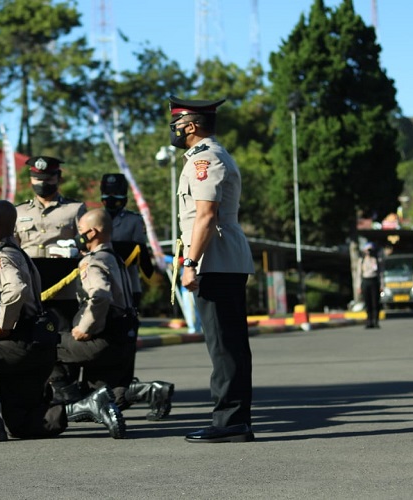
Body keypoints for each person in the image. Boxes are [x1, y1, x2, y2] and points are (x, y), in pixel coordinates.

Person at [0, 200, 124, 443]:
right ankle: (87, 406)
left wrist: (4, 325)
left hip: (14, 341)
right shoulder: (21, 254)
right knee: (22, 423)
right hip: (38, 346)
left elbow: (16, 289)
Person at [168, 95, 255, 443]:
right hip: (219, 260)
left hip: (215, 261)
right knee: (226, 344)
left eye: (176, 124)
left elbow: (205, 216)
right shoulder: (206, 157)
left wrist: (190, 263)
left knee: (225, 346)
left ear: (191, 126)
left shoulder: (206, 159)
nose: (172, 131)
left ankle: (230, 421)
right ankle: (233, 418)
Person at [48, 209, 134, 428]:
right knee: (103, 392)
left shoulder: (92, 261)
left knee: (46, 344)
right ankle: (148, 391)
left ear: (92, 232)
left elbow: (99, 295)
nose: (77, 236)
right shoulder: (115, 258)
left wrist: (85, 327)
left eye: (80, 231)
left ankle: (71, 400)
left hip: (103, 339)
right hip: (124, 337)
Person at [100, 173, 175, 420]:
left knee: (124, 343)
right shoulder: (91, 218)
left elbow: (143, 259)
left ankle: (122, 393)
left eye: (116, 194)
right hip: (97, 290)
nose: (111, 199)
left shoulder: (133, 220)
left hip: (126, 291)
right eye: (107, 194)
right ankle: (104, 394)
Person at [14, 156, 86, 258]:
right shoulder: (19, 211)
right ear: (30, 179)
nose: (42, 183)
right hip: (28, 271)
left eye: (48, 179)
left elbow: (85, 247)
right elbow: (12, 248)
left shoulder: (75, 209)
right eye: (37, 179)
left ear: (59, 178)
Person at [356, 242, 383, 329]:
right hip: (365, 281)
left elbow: (380, 274)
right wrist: (358, 286)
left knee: (375, 302)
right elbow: (359, 274)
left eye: (370, 249)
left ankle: (375, 321)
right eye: (367, 250)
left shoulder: (377, 260)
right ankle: (369, 321)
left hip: (374, 282)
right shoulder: (362, 260)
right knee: (367, 303)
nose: (369, 251)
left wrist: (382, 285)